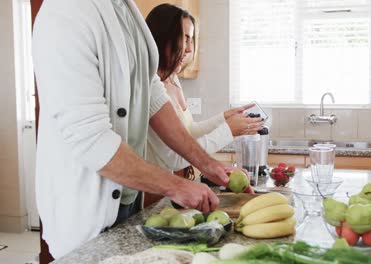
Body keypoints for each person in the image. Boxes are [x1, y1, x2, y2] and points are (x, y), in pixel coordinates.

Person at [32, 0, 247, 258]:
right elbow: (91, 139)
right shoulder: (65, 14)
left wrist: (208, 165)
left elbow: (154, 99)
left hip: (129, 204)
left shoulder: (128, 10)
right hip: (85, 209)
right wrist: (176, 185)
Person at [144, 4, 264, 176]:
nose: (189, 49)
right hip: (158, 193)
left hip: (184, 187)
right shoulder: (149, 88)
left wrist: (223, 119)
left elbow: (188, 133)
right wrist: (227, 131)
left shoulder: (173, 79)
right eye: (184, 38)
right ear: (162, 37)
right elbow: (175, 158)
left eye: (190, 39)